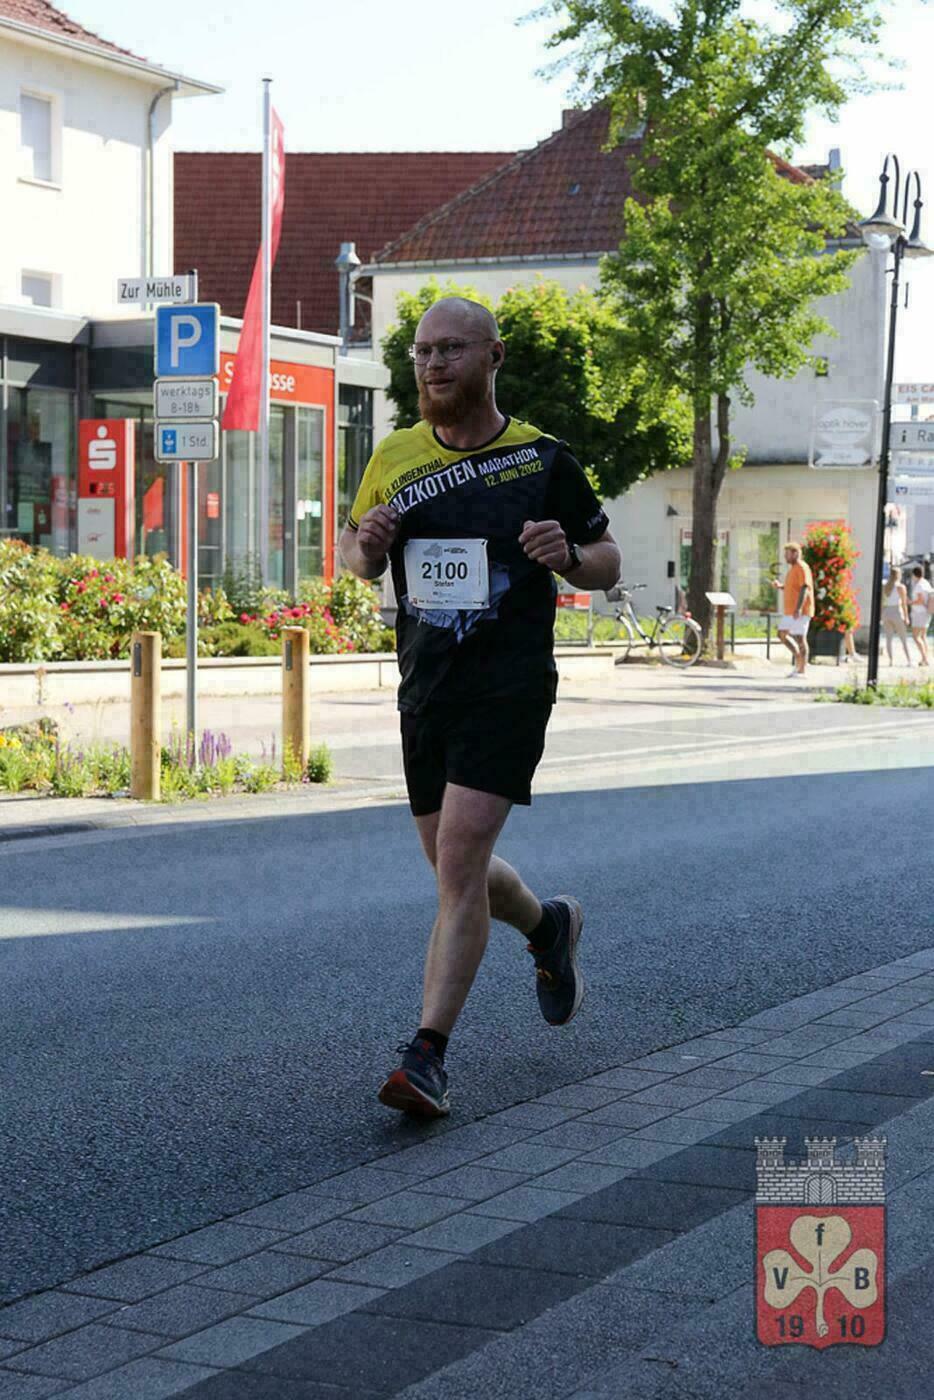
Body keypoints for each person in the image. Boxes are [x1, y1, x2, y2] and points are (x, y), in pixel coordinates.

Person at [339, 296, 620, 1118]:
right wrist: (367, 548)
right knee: (451, 868)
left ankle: (427, 1055)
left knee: (459, 863)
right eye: (423, 352)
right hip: (426, 687)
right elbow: (354, 553)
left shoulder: (542, 460)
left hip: (509, 687)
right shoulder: (394, 455)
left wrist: (568, 557)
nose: (433, 364)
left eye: (451, 349)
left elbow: (607, 558)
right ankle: (547, 926)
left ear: (493, 356)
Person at [771, 542, 814, 678]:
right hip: (790, 610)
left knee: (800, 638)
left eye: (787, 554)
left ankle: (802, 670)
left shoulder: (801, 567)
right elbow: (793, 587)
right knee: (781, 634)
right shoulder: (793, 568)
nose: (785, 557)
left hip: (800, 610)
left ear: (795, 554)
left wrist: (799, 608)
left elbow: (804, 588)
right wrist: (781, 586)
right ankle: (798, 659)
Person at [881, 566, 913, 666]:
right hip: (896, 611)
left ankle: (891, 661)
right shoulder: (900, 587)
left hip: (886, 611)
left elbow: (881, 601)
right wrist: (906, 617)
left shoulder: (884, 585)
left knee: (888, 638)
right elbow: (904, 603)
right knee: (903, 638)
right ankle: (909, 660)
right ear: (899, 575)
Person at [908, 565, 932, 667]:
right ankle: (924, 658)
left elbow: (920, 600)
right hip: (926, 613)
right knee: (923, 636)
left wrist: (910, 602)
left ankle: (924, 659)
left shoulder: (919, 586)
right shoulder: (926, 583)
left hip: (919, 613)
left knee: (915, 637)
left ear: (914, 574)